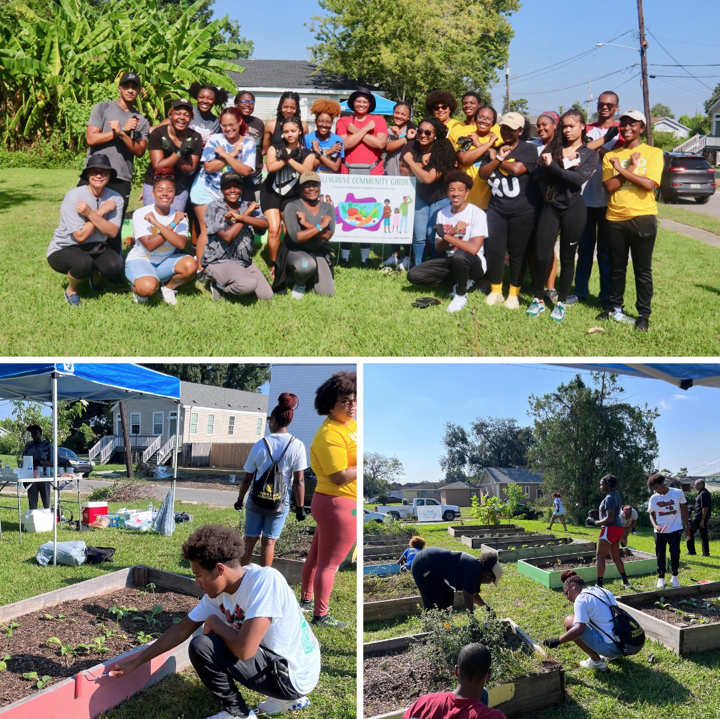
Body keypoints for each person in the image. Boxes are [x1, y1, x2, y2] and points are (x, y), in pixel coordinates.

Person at [108, 525, 320, 719]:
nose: (196, 582)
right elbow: (181, 629)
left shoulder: (265, 581)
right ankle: (285, 700)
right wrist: (134, 663)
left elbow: (245, 651)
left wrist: (214, 622)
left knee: (202, 646)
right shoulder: (217, 594)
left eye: (198, 575)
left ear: (220, 569)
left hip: (294, 675)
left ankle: (238, 714)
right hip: (283, 667)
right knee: (205, 640)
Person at [526, 109, 598, 322]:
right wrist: (556, 165)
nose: (567, 130)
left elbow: (577, 181)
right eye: (564, 126)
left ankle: (561, 302)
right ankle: (538, 299)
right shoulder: (553, 148)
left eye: (572, 126)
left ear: (582, 126)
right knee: (541, 254)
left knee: (568, 258)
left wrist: (554, 166)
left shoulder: (589, 154)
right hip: (551, 207)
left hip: (574, 210)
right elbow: (537, 175)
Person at [300, 372, 357, 629]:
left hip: (334, 503)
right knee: (329, 564)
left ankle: (307, 600)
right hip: (339, 501)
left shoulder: (349, 425)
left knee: (316, 557)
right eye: (345, 400)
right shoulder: (329, 433)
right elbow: (338, 476)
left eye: (354, 398)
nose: (352, 404)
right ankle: (321, 616)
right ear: (329, 405)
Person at [598, 110, 663, 332]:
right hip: (614, 218)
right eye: (624, 123)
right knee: (617, 267)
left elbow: (649, 184)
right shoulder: (611, 156)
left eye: (633, 124)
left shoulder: (654, 153)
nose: (627, 127)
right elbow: (610, 187)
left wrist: (621, 170)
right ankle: (615, 308)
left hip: (642, 217)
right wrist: (630, 167)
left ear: (642, 128)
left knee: (642, 270)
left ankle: (643, 314)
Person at [234, 393, 307, 568]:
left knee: (250, 540)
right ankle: (263, 578)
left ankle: (242, 577)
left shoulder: (260, 444)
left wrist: (239, 499)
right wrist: (301, 507)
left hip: (256, 499)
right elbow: (299, 481)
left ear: (273, 420)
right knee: (269, 542)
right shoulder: (297, 446)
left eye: (268, 421)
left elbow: (247, 479)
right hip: (280, 502)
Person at [82, 71, 149, 256]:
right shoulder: (102, 108)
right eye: (126, 86)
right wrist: (118, 131)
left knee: (114, 224)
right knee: (85, 217)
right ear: (119, 89)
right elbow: (91, 138)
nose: (130, 90)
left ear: (139, 91)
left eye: (134, 87)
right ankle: (82, 261)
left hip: (121, 177)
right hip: (94, 174)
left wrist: (122, 134)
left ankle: (110, 267)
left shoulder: (141, 121)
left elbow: (140, 151)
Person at [478, 112, 538, 309]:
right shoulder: (493, 150)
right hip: (497, 209)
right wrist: (495, 158)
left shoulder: (528, 149)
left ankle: (513, 294)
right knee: (494, 250)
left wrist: (499, 159)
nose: (505, 132)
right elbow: (483, 173)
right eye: (503, 127)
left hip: (522, 210)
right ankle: (496, 291)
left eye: (511, 129)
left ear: (520, 131)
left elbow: (518, 169)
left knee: (517, 253)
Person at [48, 154, 124, 306]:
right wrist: (100, 212)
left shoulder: (116, 198)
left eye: (103, 172)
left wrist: (90, 214)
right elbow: (80, 236)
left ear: (109, 176)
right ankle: (71, 290)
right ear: (88, 175)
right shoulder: (74, 196)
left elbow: (112, 232)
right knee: (83, 263)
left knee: (115, 265)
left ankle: (95, 280)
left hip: (96, 246)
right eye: (94, 172)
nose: (98, 175)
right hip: (66, 247)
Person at [407, 170, 487, 313]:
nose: (456, 194)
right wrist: (451, 233)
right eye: (452, 190)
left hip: (474, 263)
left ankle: (461, 294)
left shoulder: (477, 213)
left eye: (460, 190)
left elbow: (474, 249)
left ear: (467, 192)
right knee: (413, 275)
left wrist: (448, 236)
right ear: (447, 192)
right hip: (451, 261)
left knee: (460, 255)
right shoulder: (442, 214)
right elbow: (438, 248)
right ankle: (459, 281)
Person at [570, 91, 623, 308]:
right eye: (601, 104)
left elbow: (615, 159)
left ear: (616, 108)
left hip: (610, 200)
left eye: (609, 105)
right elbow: (578, 150)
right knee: (583, 250)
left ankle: (606, 297)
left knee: (606, 252)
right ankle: (580, 292)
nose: (604, 107)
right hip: (584, 198)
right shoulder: (587, 129)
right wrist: (599, 146)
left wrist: (598, 147)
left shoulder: (622, 131)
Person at [190, 107, 256, 272]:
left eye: (231, 124)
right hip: (205, 188)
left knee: (224, 230)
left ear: (239, 122)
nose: (228, 129)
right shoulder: (215, 139)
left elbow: (245, 170)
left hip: (229, 194)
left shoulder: (248, 143)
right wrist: (233, 155)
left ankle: (221, 265)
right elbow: (209, 167)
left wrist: (226, 155)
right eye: (224, 125)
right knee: (206, 229)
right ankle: (200, 269)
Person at [335, 85, 388, 266]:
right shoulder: (343, 121)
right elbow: (345, 145)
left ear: (370, 104)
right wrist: (366, 129)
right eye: (358, 100)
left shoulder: (379, 120)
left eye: (365, 101)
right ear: (353, 103)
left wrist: (357, 131)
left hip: (373, 172)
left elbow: (380, 144)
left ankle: (365, 258)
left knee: (369, 214)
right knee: (348, 213)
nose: (361, 104)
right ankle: (344, 256)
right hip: (348, 171)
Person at [202, 171, 273, 302]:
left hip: (244, 261)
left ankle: (234, 281)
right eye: (228, 187)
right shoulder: (215, 207)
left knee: (267, 295)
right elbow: (227, 236)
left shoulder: (247, 205)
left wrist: (241, 217)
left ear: (242, 188)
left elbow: (265, 224)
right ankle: (218, 286)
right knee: (248, 285)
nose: (232, 190)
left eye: (236, 186)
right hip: (220, 260)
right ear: (222, 189)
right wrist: (246, 214)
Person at [126, 175, 197, 305]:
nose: (165, 194)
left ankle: (167, 288)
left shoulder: (178, 216)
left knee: (191, 264)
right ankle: (136, 286)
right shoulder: (141, 213)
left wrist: (157, 223)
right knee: (147, 289)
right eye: (160, 190)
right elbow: (150, 245)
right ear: (153, 193)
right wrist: (173, 223)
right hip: (142, 260)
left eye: (170, 190)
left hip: (164, 262)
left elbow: (180, 243)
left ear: (174, 194)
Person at [542, 570, 623, 672]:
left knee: (570, 622)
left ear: (573, 585)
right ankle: (610, 653)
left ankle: (597, 662)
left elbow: (578, 629)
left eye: (566, 593)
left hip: (611, 649)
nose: (567, 597)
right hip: (624, 644)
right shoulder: (600, 590)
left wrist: (557, 641)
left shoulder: (581, 599)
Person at [403, 117, 457, 267]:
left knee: (433, 234)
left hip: (440, 198)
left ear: (436, 135)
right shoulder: (410, 146)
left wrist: (411, 162)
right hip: (420, 196)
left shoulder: (443, 150)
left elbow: (428, 178)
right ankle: (418, 267)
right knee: (419, 235)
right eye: (420, 131)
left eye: (428, 132)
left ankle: (435, 267)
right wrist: (419, 164)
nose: (423, 135)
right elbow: (402, 172)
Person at [402, 643, 507, 719]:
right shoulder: (494, 717)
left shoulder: (423, 703)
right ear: (488, 675)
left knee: (483, 693)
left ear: (456, 671)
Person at [274, 172, 336, 299]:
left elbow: (328, 236)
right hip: (294, 250)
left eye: (315, 185)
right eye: (307, 185)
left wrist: (306, 223)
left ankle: (308, 278)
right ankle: (299, 283)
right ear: (301, 189)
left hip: (317, 251)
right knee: (306, 265)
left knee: (327, 292)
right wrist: (320, 226)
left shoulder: (328, 207)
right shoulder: (292, 207)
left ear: (320, 186)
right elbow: (297, 237)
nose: (311, 188)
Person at [143, 98, 204, 212]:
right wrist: (179, 153)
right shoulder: (158, 134)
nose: (181, 117)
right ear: (170, 114)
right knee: (152, 223)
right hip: (155, 184)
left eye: (186, 115)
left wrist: (173, 152)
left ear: (192, 117)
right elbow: (158, 166)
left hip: (179, 188)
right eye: (178, 114)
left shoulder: (195, 138)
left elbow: (190, 169)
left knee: (174, 224)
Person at [529, 111, 561, 303]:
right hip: (532, 202)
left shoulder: (562, 148)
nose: (540, 128)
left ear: (555, 126)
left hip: (552, 203)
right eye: (538, 126)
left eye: (545, 125)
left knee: (548, 246)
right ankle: (536, 284)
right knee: (533, 245)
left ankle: (550, 288)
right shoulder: (533, 146)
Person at [411, 547, 502, 611]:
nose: (490, 583)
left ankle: (445, 627)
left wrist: (487, 608)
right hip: (423, 565)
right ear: (488, 575)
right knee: (434, 604)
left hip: (436, 569)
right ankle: (429, 633)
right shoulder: (473, 569)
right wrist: (472, 622)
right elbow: (468, 598)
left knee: (448, 599)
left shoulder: (479, 570)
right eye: (492, 581)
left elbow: (474, 595)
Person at [449, 103, 501, 213]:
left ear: (493, 122)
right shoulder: (467, 138)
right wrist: (488, 143)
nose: (484, 121)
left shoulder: (499, 141)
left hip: (489, 202)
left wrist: (486, 143)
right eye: (481, 117)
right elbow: (463, 159)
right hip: (465, 199)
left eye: (488, 119)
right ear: (476, 118)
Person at [152, 83, 231, 147]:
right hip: (180, 158)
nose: (205, 101)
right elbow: (157, 129)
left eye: (210, 98)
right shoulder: (187, 111)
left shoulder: (216, 122)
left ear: (215, 100)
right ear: (196, 97)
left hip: (203, 163)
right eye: (201, 97)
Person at [647, 473, 691, 589]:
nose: (656, 491)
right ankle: (661, 577)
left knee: (675, 552)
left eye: (657, 487)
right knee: (660, 554)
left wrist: (687, 528)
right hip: (660, 530)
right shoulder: (654, 498)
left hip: (675, 528)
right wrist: (655, 525)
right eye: (654, 489)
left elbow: (684, 511)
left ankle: (675, 576)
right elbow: (651, 514)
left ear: (662, 483)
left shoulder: (677, 493)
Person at [593, 474, 631, 590]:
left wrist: (595, 522)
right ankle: (626, 582)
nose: (600, 487)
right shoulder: (615, 495)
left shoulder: (609, 498)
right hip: (618, 529)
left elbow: (609, 518)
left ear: (608, 485)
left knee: (600, 556)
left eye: (602, 484)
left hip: (610, 528)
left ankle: (599, 585)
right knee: (615, 557)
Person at [234, 91, 265, 203]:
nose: (248, 105)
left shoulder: (258, 123)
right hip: (233, 174)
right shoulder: (231, 121)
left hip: (253, 176)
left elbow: (263, 148)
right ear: (236, 104)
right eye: (244, 101)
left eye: (251, 102)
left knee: (251, 208)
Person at [262, 92, 310, 157]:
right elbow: (264, 151)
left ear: (297, 109)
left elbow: (306, 149)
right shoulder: (271, 125)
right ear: (280, 107)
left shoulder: (303, 126)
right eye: (285, 107)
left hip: (297, 164)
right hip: (276, 164)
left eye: (292, 108)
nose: (288, 111)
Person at [305, 99, 344, 174]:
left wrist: (318, 152)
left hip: (330, 182)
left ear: (332, 123)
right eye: (321, 121)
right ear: (315, 121)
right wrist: (328, 152)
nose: (324, 125)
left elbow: (335, 167)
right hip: (313, 181)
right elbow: (308, 167)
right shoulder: (307, 139)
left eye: (328, 122)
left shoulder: (338, 141)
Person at [22, 424, 54, 510]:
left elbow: (52, 462)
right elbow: (24, 460)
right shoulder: (28, 445)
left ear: (40, 433)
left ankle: (48, 518)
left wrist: (40, 462)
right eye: (32, 433)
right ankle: (33, 519)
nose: (33, 435)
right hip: (30, 475)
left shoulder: (47, 445)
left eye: (35, 432)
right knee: (32, 501)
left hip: (44, 475)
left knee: (46, 501)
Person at [687, 478, 712, 557]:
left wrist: (702, 520)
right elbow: (700, 506)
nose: (694, 486)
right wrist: (692, 507)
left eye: (696, 484)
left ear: (701, 484)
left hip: (699, 517)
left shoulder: (704, 493)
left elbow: (705, 507)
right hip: (700, 516)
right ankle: (706, 553)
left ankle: (691, 551)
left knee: (689, 532)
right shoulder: (701, 493)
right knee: (704, 534)